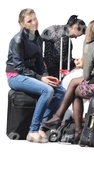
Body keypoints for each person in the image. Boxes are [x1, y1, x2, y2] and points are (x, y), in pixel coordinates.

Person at [41, 20, 94, 144]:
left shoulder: (92, 45)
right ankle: (59, 118)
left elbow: (86, 74)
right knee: (74, 84)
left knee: (75, 90)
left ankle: (71, 126)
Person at [5, 8, 66, 143]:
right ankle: (32, 131)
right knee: (47, 90)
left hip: (31, 74)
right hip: (15, 76)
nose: (34, 23)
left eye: (35, 18)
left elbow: (39, 61)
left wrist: (46, 76)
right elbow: (19, 67)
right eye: (29, 21)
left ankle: (41, 127)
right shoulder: (17, 40)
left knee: (61, 91)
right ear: (22, 23)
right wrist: (41, 79)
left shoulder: (38, 37)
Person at [41, 15, 86, 79]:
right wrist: (74, 61)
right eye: (78, 35)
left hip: (47, 66)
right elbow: (60, 58)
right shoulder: (64, 36)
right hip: (56, 70)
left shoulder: (54, 28)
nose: (76, 38)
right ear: (75, 27)